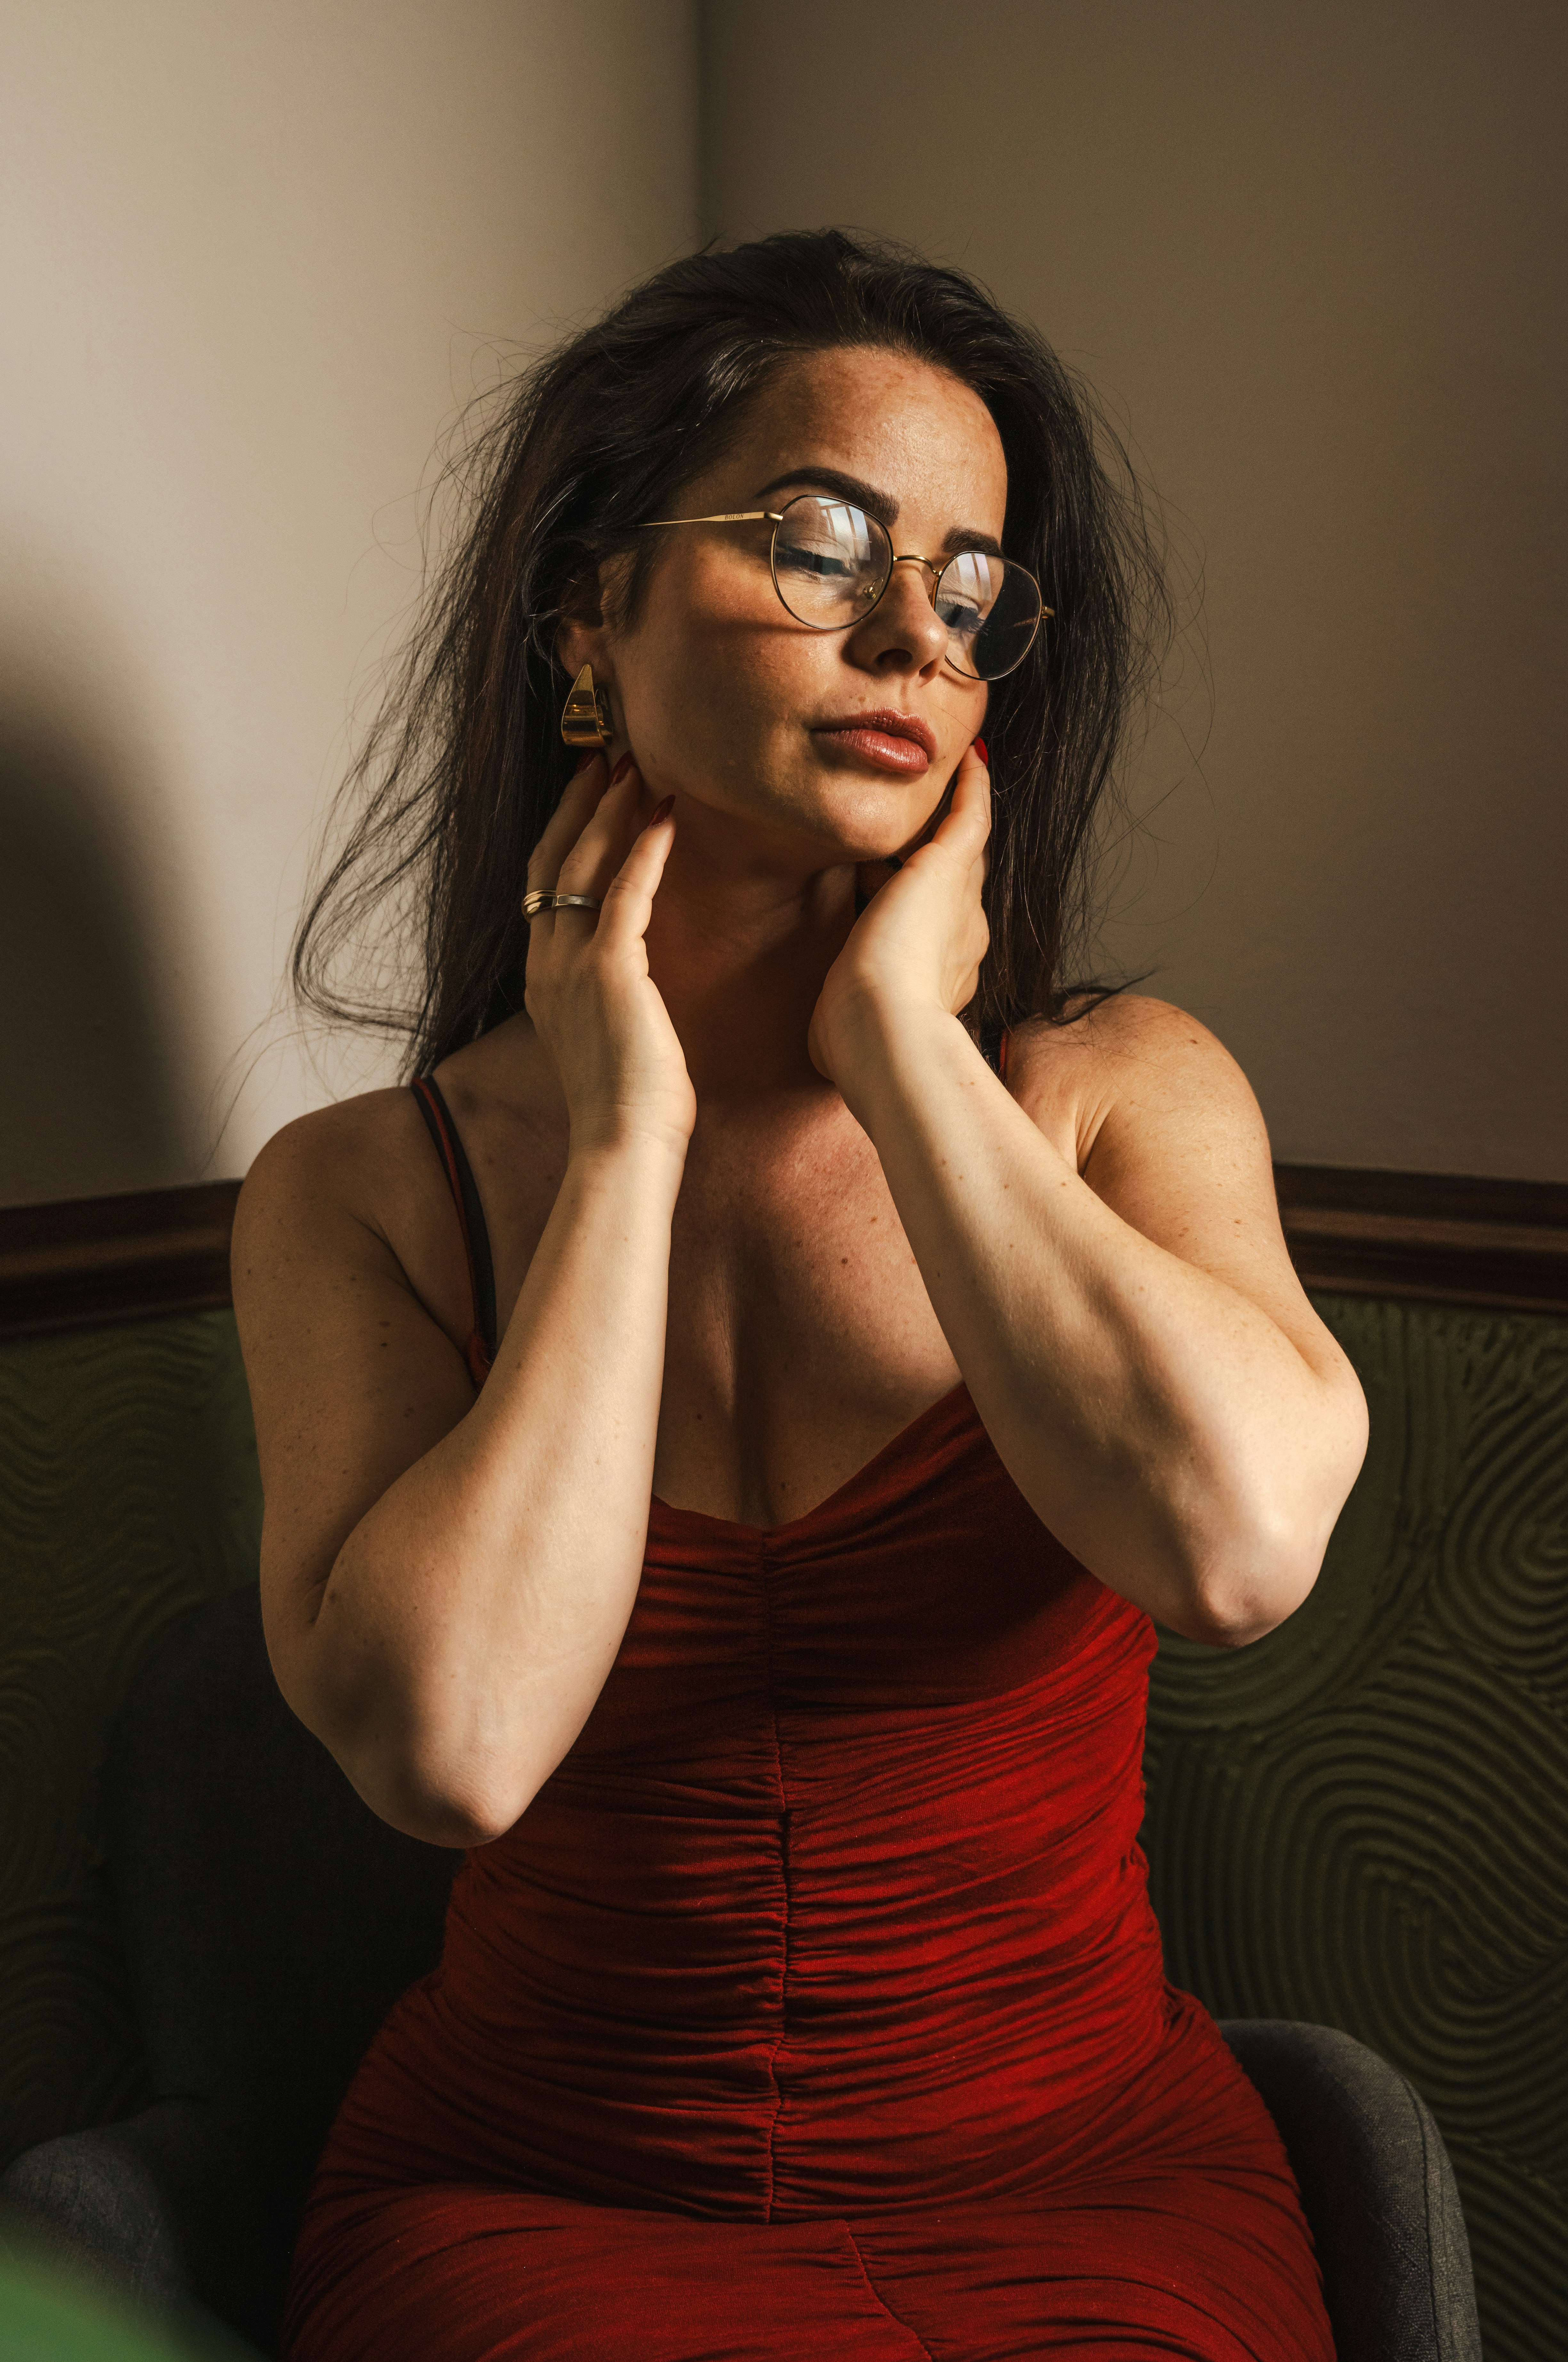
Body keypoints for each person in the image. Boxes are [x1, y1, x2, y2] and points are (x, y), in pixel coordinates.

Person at [234, 230, 1368, 2361]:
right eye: (819, 536)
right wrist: (626, 1136)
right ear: (591, 610)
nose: (909, 633)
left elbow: (1227, 1548)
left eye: (966, 586)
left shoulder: (1116, 1090)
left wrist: (905, 1051)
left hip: (1082, 2185)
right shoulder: (362, 1192)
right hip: (543, 2197)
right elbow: (453, 1748)